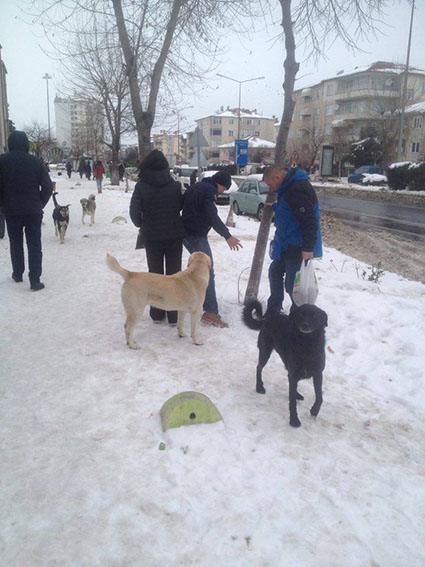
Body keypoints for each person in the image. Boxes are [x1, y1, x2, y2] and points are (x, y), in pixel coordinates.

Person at [129, 149, 186, 325]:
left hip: (152, 236)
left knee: (155, 276)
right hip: (174, 235)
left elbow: (134, 212)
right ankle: (174, 316)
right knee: (174, 276)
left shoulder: (141, 186)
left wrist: (142, 224)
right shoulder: (175, 185)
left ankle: (157, 313)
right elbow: (181, 206)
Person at [182, 170, 242, 328]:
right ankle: (210, 313)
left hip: (187, 233)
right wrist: (227, 236)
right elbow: (211, 215)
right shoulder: (209, 191)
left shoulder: (197, 187)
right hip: (195, 235)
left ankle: (195, 301)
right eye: (224, 188)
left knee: (196, 270)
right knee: (207, 271)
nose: (222, 192)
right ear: (220, 184)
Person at [262, 164, 322, 314]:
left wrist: (308, 248)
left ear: (277, 177)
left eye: (270, 184)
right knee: (275, 271)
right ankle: (274, 311)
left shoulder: (298, 189)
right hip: (285, 244)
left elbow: (309, 221)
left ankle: (299, 315)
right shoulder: (287, 187)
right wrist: (276, 206)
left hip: (298, 246)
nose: (271, 188)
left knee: (293, 285)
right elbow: (290, 209)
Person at [0, 130, 52, 291]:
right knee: (34, 245)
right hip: (33, 211)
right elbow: (48, 186)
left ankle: (17, 273)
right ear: (26, 144)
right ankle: (35, 280)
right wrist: (40, 203)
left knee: (15, 243)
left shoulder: (2, 161)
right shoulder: (36, 162)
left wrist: (2, 204)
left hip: (11, 210)